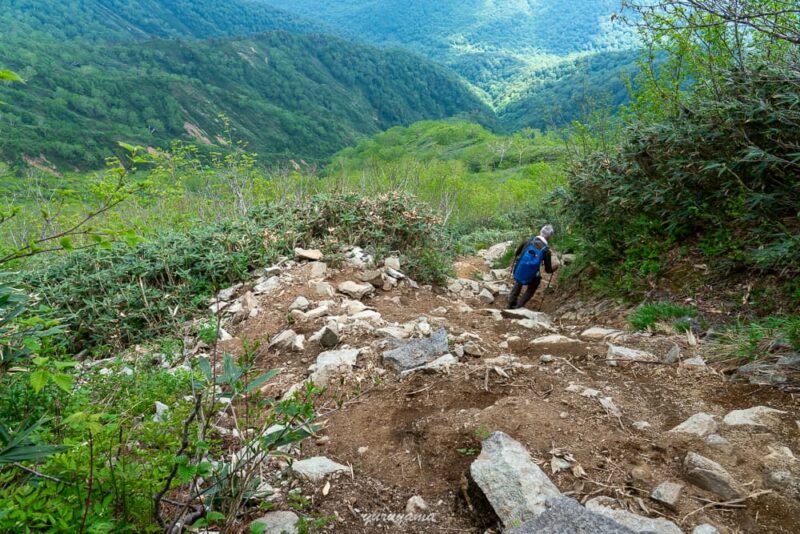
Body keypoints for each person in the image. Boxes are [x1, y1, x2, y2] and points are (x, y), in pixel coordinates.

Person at [507, 224, 557, 309]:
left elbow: (517, 253)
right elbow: (548, 270)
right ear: (549, 237)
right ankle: (519, 306)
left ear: (540, 232)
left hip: (521, 268)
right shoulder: (546, 250)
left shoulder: (528, 241)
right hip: (533, 274)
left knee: (519, 280)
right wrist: (554, 268)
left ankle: (511, 303)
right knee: (532, 287)